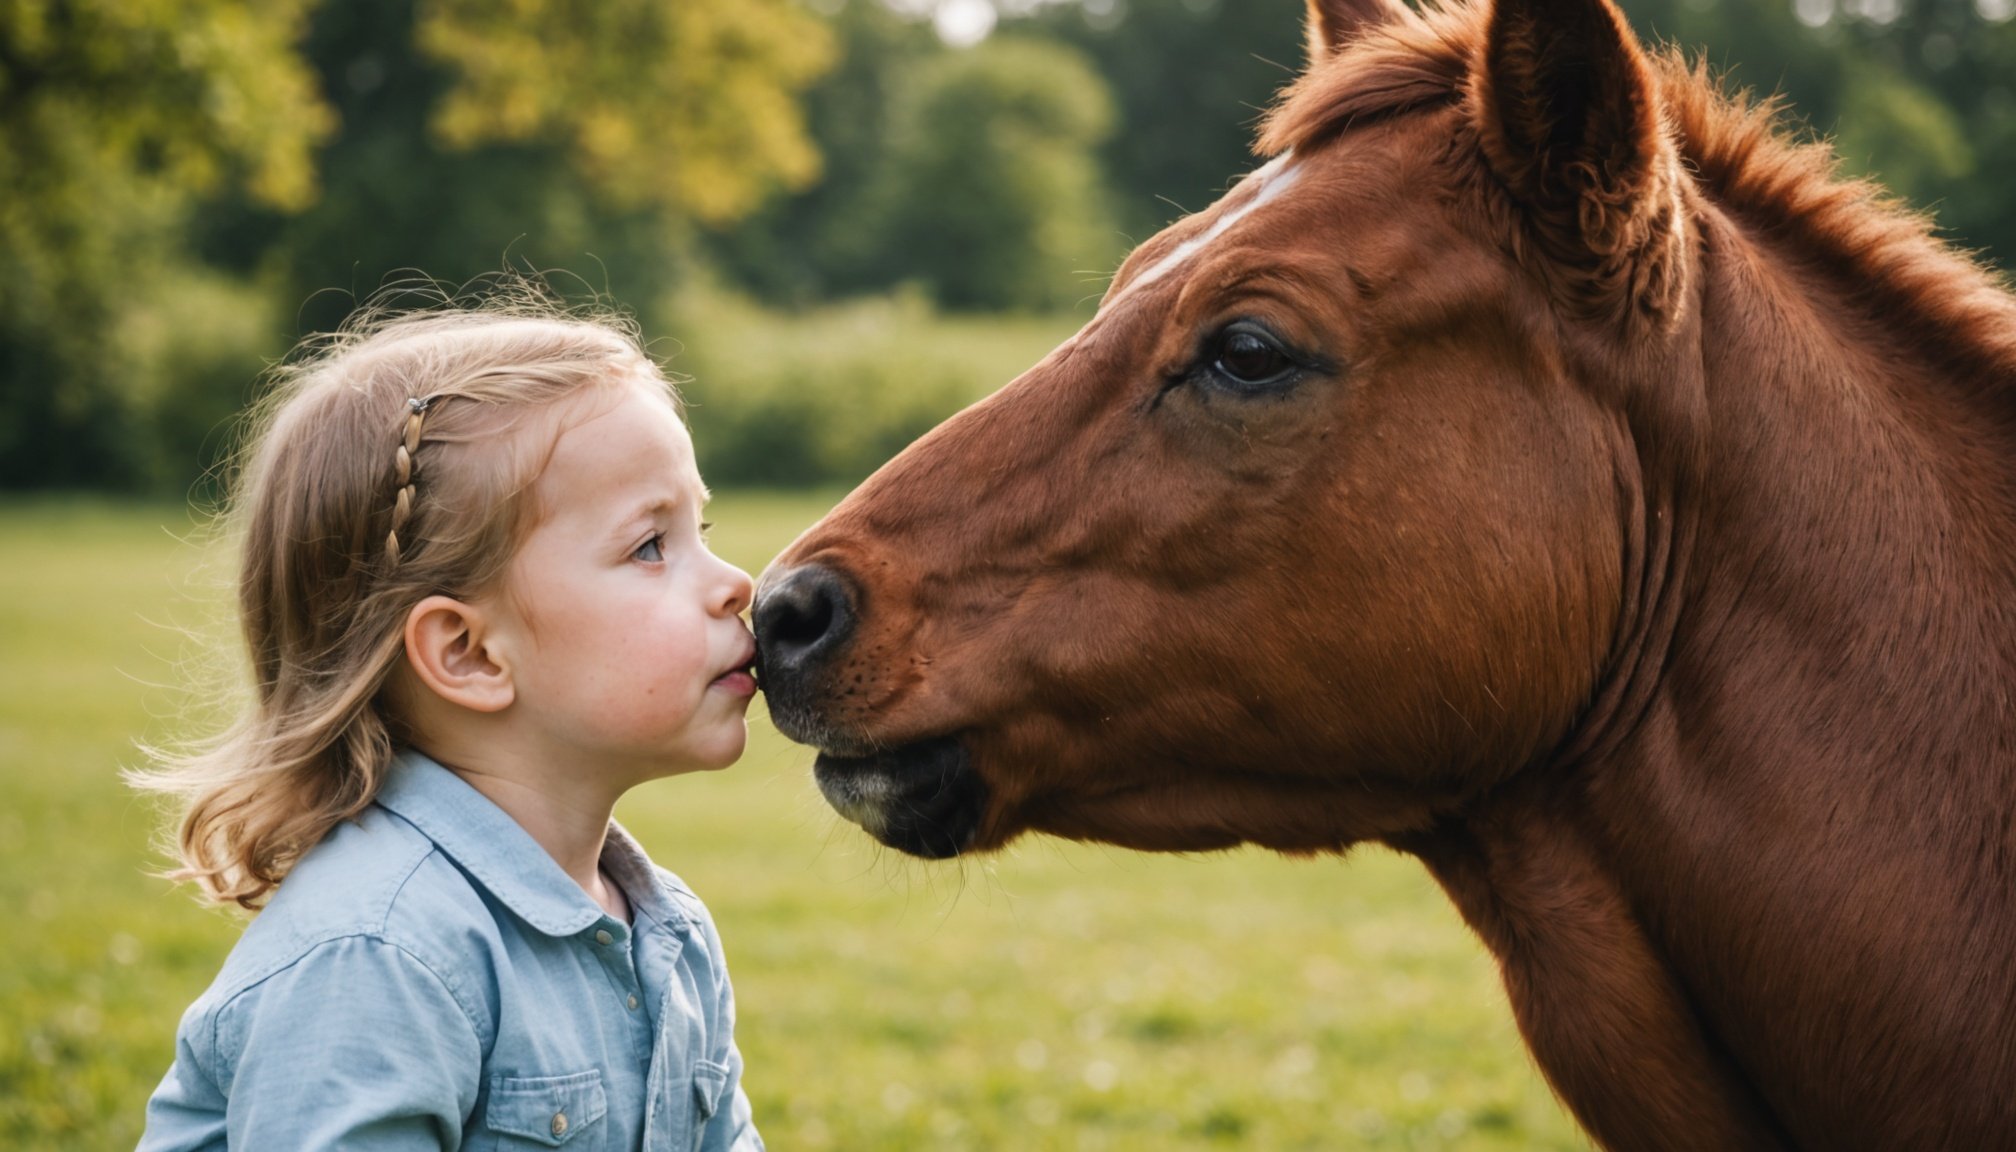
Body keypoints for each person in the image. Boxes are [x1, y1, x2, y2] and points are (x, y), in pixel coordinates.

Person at [131, 291, 765, 1150]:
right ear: (469, 654)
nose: (736, 583)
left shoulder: (668, 933)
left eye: (702, 527)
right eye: (650, 545)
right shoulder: (379, 954)